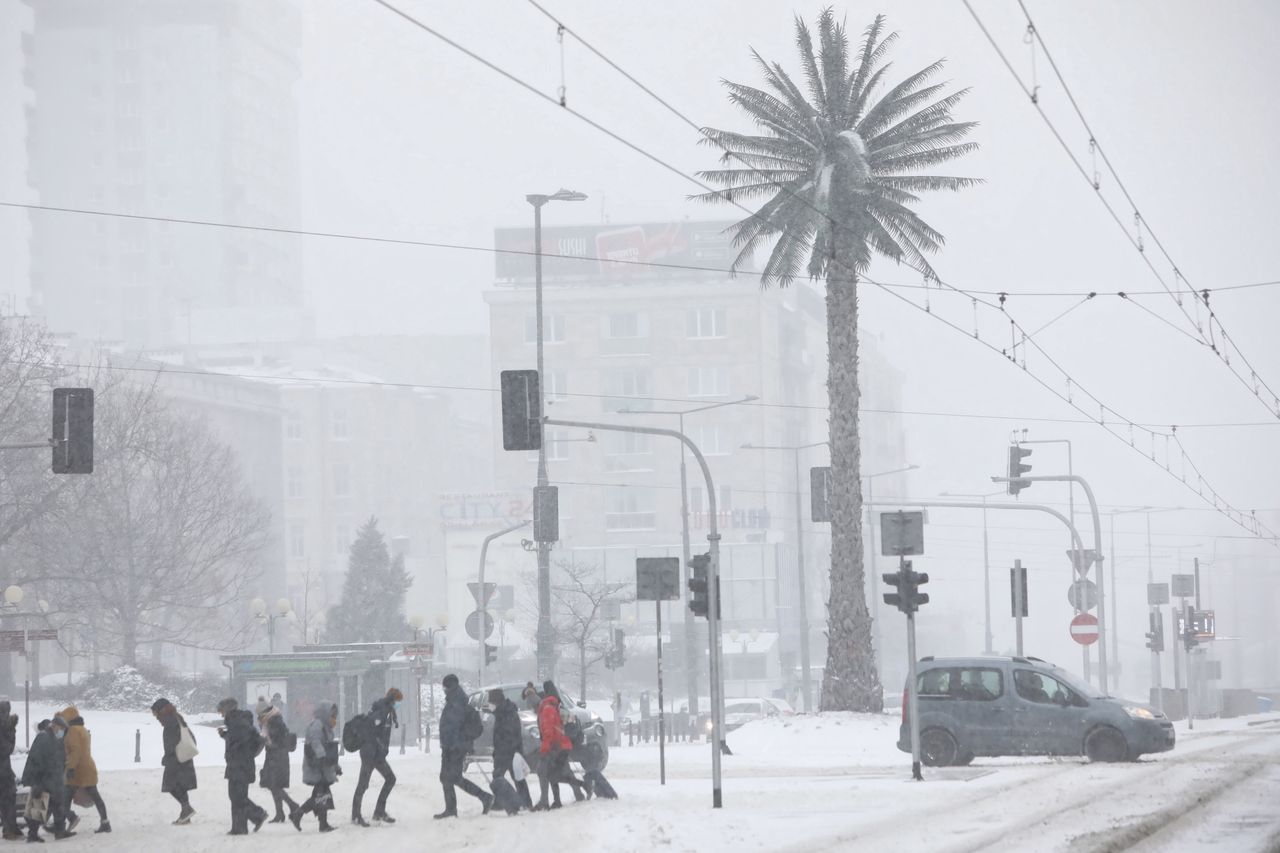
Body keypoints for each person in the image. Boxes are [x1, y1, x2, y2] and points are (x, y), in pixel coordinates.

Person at [434, 674, 491, 819]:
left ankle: (481, 798)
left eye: (445, 687)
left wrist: (456, 744)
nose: (444, 690)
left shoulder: (457, 702)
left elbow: (454, 726)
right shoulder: (456, 699)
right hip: (451, 746)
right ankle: (480, 798)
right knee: (451, 778)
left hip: (454, 747)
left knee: (450, 778)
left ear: (449, 687)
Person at [217, 698, 268, 835]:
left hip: (240, 764)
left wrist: (232, 746)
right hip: (240, 764)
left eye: (221, 711)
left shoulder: (237, 722)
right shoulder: (238, 722)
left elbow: (240, 742)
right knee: (237, 796)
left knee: (237, 796)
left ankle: (256, 815)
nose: (221, 715)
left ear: (227, 709)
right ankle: (240, 827)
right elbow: (240, 739)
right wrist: (225, 735)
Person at [351, 686, 401, 826]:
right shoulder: (382, 711)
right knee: (363, 783)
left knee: (390, 779)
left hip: (377, 754)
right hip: (370, 753)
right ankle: (356, 815)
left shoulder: (387, 711)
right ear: (393, 700)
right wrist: (377, 745)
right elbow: (370, 729)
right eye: (398, 701)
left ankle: (379, 812)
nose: (399, 704)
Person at [21, 714, 73, 841]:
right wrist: (36, 781)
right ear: (54, 726)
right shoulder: (43, 738)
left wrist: (66, 769)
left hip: (55, 778)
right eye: (61, 729)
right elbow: (35, 759)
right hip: (43, 778)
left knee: (58, 805)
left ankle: (60, 831)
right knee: (38, 805)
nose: (62, 732)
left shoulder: (57, 739)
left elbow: (61, 757)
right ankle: (32, 835)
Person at [290, 702, 341, 833]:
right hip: (317, 766)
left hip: (323, 766)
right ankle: (299, 814)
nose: (334, 717)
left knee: (322, 796)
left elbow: (328, 748)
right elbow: (315, 742)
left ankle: (318, 822)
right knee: (321, 796)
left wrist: (335, 766)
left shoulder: (325, 726)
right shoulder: (317, 725)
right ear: (325, 713)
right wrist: (322, 757)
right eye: (332, 714)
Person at [533, 680, 583, 810]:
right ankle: (578, 793)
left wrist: (544, 749)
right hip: (561, 744)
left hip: (556, 746)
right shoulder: (556, 703)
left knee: (544, 771)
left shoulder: (547, 708)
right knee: (560, 773)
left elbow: (548, 732)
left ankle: (546, 802)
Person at [61, 704, 110, 833]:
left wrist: (70, 768)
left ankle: (68, 820)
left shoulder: (72, 731)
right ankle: (105, 822)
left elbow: (75, 752)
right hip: (88, 769)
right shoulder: (82, 729)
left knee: (64, 799)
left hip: (77, 771)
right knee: (96, 797)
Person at [152, 698, 197, 825]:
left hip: (176, 759)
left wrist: (168, 756)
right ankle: (185, 812)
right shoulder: (176, 717)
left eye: (156, 713)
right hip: (183, 757)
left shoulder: (170, 721)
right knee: (180, 786)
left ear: (162, 710)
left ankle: (186, 809)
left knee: (171, 786)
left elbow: (171, 741)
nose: (156, 717)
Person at [489, 688, 532, 809]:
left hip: (509, 752)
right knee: (511, 777)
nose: (489, 705)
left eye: (490, 702)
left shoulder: (506, 713)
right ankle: (523, 801)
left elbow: (509, 734)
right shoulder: (502, 711)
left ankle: (524, 802)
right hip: (506, 751)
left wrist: (505, 751)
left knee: (508, 777)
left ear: (496, 701)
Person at [255, 698, 297, 823]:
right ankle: (281, 812)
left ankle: (292, 806)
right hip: (273, 755)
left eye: (259, 714)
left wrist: (265, 740)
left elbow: (277, 738)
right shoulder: (270, 719)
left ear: (263, 712)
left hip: (278, 755)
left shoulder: (274, 720)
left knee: (275, 785)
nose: (258, 717)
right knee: (272, 785)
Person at [0, 701, 22, 840]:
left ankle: (12, 826)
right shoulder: (3, 726)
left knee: (8, 798)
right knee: (7, 799)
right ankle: (9, 829)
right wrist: (11, 730)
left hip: (5, 770)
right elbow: (6, 750)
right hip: (3, 772)